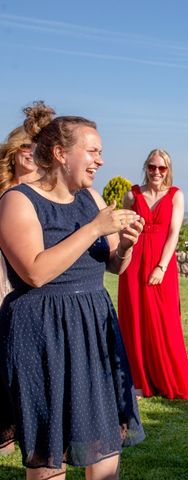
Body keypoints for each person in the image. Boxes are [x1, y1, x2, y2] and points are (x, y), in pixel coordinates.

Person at [0, 101, 145, 479]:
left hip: (94, 330)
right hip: (43, 334)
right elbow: (34, 272)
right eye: (93, 150)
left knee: (105, 452)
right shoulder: (18, 201)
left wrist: (125, 246)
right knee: (51, 457)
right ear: (61, 154)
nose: (100, 160)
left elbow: (112, 265)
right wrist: (95, 229)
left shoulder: (91, 199)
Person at [117, 149, 188, 400]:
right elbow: (124, 228)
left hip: (161, 264)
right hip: (133, 263)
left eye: (161, 168)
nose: (156, 172)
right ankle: (138, 382)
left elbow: (174, 233)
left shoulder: (176, 195)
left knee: (164, 320)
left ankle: (166, 379)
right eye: (152, 167)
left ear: (168, 170)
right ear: (146, 167)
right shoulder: (132, 194)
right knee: (134, 318)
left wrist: (162, 267)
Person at [0, 124, 40, 457]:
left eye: (35, 144)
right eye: (25, 144)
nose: (30, 149)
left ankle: (16, 423)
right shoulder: (4, 190)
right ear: (14, 149)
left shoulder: (43, 191)